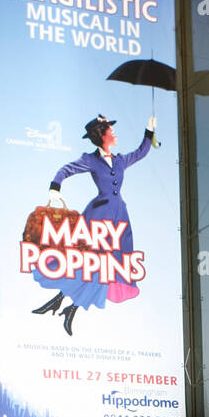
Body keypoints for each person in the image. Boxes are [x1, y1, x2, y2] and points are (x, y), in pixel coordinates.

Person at [32, 113, 156, 334]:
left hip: (119, 218)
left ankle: (70, 307)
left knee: (107, 270)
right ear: (103, 135)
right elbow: (66, 169)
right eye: (111, 129)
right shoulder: (91, 160)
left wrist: (149, 131)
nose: (114, 133)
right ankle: (64, 302)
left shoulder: (119, 160)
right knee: (90, 264)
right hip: (99, 216)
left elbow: (141, 152)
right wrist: (55, 187)